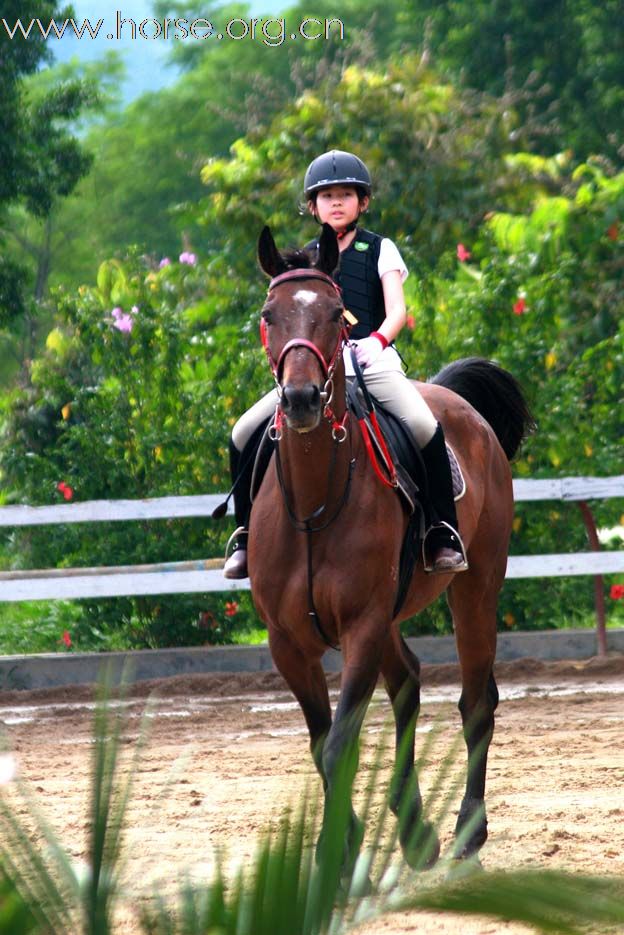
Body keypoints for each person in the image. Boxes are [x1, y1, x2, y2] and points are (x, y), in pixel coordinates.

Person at [223, 149, 467, 579]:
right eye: (327, 196)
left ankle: (442, 531)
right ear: (313, 206)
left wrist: (377, 340)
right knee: (242, 432)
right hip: (317, 367)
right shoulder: (303, 261)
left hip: (372, 359)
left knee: (425, 425)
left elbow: (396, 312)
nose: (336, 203)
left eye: (346, 195)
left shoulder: (380, 249)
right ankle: (245, 535)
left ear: (363, 202)